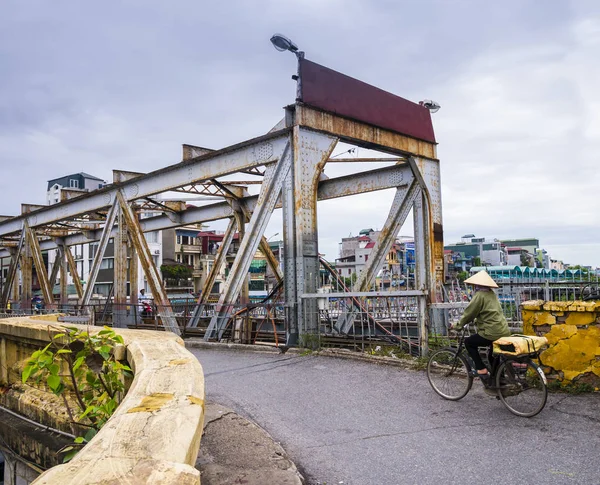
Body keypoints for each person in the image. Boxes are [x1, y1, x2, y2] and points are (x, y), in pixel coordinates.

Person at [451, 270, 510, 386]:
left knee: (469, 343)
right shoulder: (491, 294)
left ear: (476, 285)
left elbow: (469, 314)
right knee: (492, 355)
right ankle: (499, 381)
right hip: (503, 330)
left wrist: (457, 326)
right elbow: (488, 312)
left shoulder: (479, 295)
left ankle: (481, 369)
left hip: (491, 332)